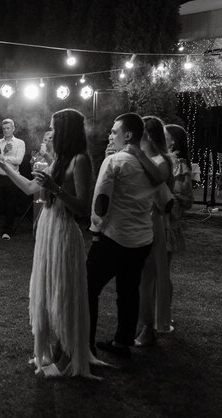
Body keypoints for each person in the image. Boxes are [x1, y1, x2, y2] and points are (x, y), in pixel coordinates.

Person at [0, 109, 104, 378]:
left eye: (54, 127)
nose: (50, 132)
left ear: (65, 130)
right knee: (47, 292)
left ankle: (68, 359)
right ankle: (54, 352)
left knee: (64, 295)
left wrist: (55, 188)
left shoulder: (80, 160)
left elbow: (82, 207)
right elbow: (31, 189)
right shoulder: (58, 160)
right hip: (47, 229)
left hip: (65, 232)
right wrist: (4, 165)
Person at [87, 113, 169, 359]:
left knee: (88, 287)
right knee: (129, 290)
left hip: (114, 236)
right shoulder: (151, 165)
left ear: (128, 134)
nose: (111, 136)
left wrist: (95, 231)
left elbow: (101, 201)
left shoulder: (115, 161)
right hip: (142, 239)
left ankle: (86, 341)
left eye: (114, 131)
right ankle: (123, 342)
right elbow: (166, 203)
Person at [135, 116, 173, 347]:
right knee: (139, 277)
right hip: (138, 218)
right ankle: (142, 323)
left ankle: (149, 327)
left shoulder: (162, 161)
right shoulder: (146, 158)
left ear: (147, 135)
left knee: (148, 276)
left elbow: (162, 197)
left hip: (154, 221)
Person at [162, 124, 194, 331]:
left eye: (163, 135)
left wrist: (164, 200)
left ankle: (164, 315)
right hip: (156, 222)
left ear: (173, 141)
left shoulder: (179, 165)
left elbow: (185, 199)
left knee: (162, 272)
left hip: (167, 223)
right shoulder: (161, 161)